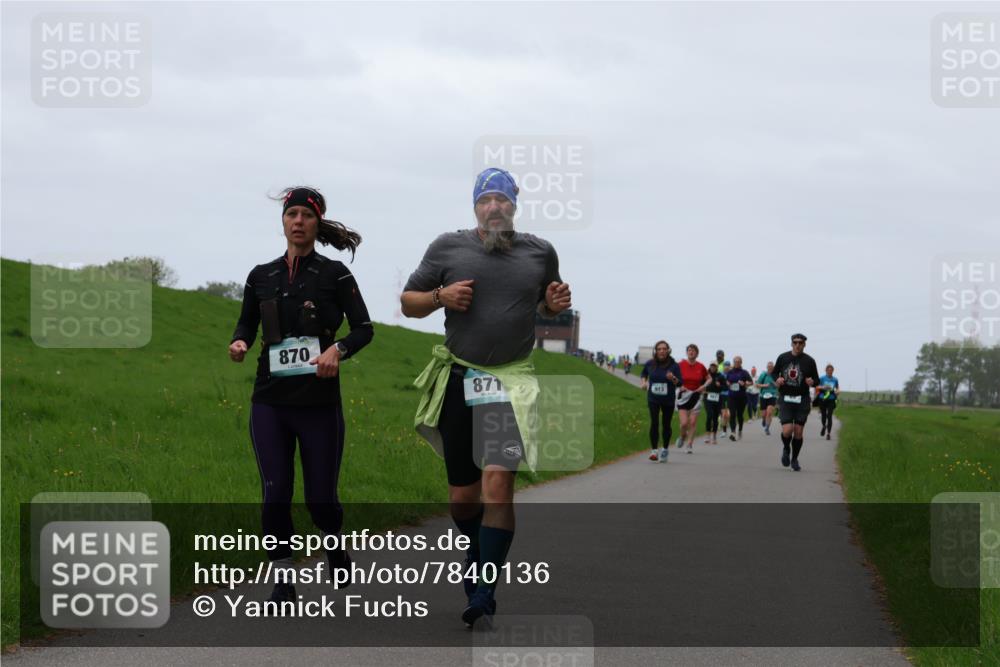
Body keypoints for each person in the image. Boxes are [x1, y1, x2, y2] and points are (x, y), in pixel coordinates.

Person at [401, 167, 571, 627]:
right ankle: (475, 554)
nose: (494, 207)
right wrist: (440, 295)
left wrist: (553, 305)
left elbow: (546, 303)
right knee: (462, 497)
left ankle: (485, 591)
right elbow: (408, 302)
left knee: (499, 484)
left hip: (509, 384)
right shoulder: (447, 248)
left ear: (514, 206)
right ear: (474, 206)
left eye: (502, 199)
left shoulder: (540, 252)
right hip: (458, 379)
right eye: (485, 200)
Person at [229, 185, 373, 604]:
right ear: (283, 222)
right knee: (275, 493)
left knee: (320, 499)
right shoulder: (261, 276)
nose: (298, 222)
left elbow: (364, 328)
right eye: (291, 214)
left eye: (306, 216)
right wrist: (239, 343)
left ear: (317, 222)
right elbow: (246, 325)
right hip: (270, 401)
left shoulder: (335, 275)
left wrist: (338, 349)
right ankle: (283, 579)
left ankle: (332, 541)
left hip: (318, 404)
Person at [771, 333, 820, 471]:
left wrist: (812, 382)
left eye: (800, 343)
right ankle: (786, 448)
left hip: (802, 399)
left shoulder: (809, 361)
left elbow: (817, 380)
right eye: (795, 342)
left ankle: (794, 459)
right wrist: (778, 379)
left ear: (804, 344)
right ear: (791, 343)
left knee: (798, 432)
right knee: (787, 430)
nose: (797, 345)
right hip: (786, 398)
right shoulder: (783, 357)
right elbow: (774, 373)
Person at [640, 341, 682, 462]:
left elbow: (680, 383)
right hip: (653, 398)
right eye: (659, 349)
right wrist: (643, 382)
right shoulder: (650, 363)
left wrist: (673, 378)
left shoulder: (674, 365)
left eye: (664, 349)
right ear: (656, 351)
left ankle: (665, 449)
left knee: (666, 425)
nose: (662, 351)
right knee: (654, 423)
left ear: (668, 350)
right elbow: (644, 373)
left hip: (668, 399)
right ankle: (654, 451)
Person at [675, 344, 711, 453]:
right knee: (684, 423)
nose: (691, 352)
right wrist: (679, 385)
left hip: (696, 395)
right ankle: (682, 436)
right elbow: (672, 377)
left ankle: (689, 445)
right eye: (689, 350)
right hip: (683, 395)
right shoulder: (680, 365)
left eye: (693, 351)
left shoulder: (701, 366)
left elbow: (709, 379)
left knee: (693, 422)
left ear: (697, 353)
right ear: (687, 352)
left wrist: (703, 386)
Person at [724, 356, 754, 440]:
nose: (737, 363)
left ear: (741, 363)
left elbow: (751, 382)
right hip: (731, 397)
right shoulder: (730, 372)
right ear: (733, 362)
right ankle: (733, 432)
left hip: (741, 397)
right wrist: (728, 383)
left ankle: (740, 430)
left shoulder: (744, 372)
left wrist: (744, 383)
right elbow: (726, 381)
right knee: (732, 414)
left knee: (740, 415)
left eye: (738, 362)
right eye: (735, 361)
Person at [702, 362, 726, 444]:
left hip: (717, 397)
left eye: (714, 366)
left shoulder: (720, 376)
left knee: (715, 417)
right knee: (709, 415)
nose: (712, 368)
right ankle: (707, 435)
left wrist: (720, 386)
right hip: (707, 397)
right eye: (711, 366)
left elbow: (725, 387)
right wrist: (703, 388)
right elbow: (700, 383)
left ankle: (714, 436)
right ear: (709, 367)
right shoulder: (706, 375)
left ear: (716, 367)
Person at [816, 364, 841, 440]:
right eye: (828, 370)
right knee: (823, 415)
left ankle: (828, 434)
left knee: (829, 416)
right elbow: (817, 387)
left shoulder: (835, 379)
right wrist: (823, 387)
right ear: (826, 370)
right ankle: (824, 426)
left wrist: (838, 391)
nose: (830, 372)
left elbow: (837, 388)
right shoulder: (822, 378)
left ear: (833, 371)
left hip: (831, 398)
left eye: (831, 370)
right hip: (823, 398)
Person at [756, 361, 779, 436]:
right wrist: (764, 386)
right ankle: (763, 419)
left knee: (769, 413)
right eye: (769, 367)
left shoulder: (776, 375)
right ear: (767, 367)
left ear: (773, 368)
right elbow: (757, 384)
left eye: (771, 367)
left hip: (773, 395)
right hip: (763, 395)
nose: (770, 368)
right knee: (764, 414)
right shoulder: (763, 374)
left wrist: (774, 384)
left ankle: (767, 428)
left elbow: (779, 386)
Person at [719, 360, 732, 435]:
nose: (727, 367)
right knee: (724, 414)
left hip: (730, 395)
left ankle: (726, 423)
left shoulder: (731, 374)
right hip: (722, 395)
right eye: (725, 366)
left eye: (728, 365)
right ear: (723, 366)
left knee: (729, 414)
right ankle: (724, 431)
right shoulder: (720, 374)